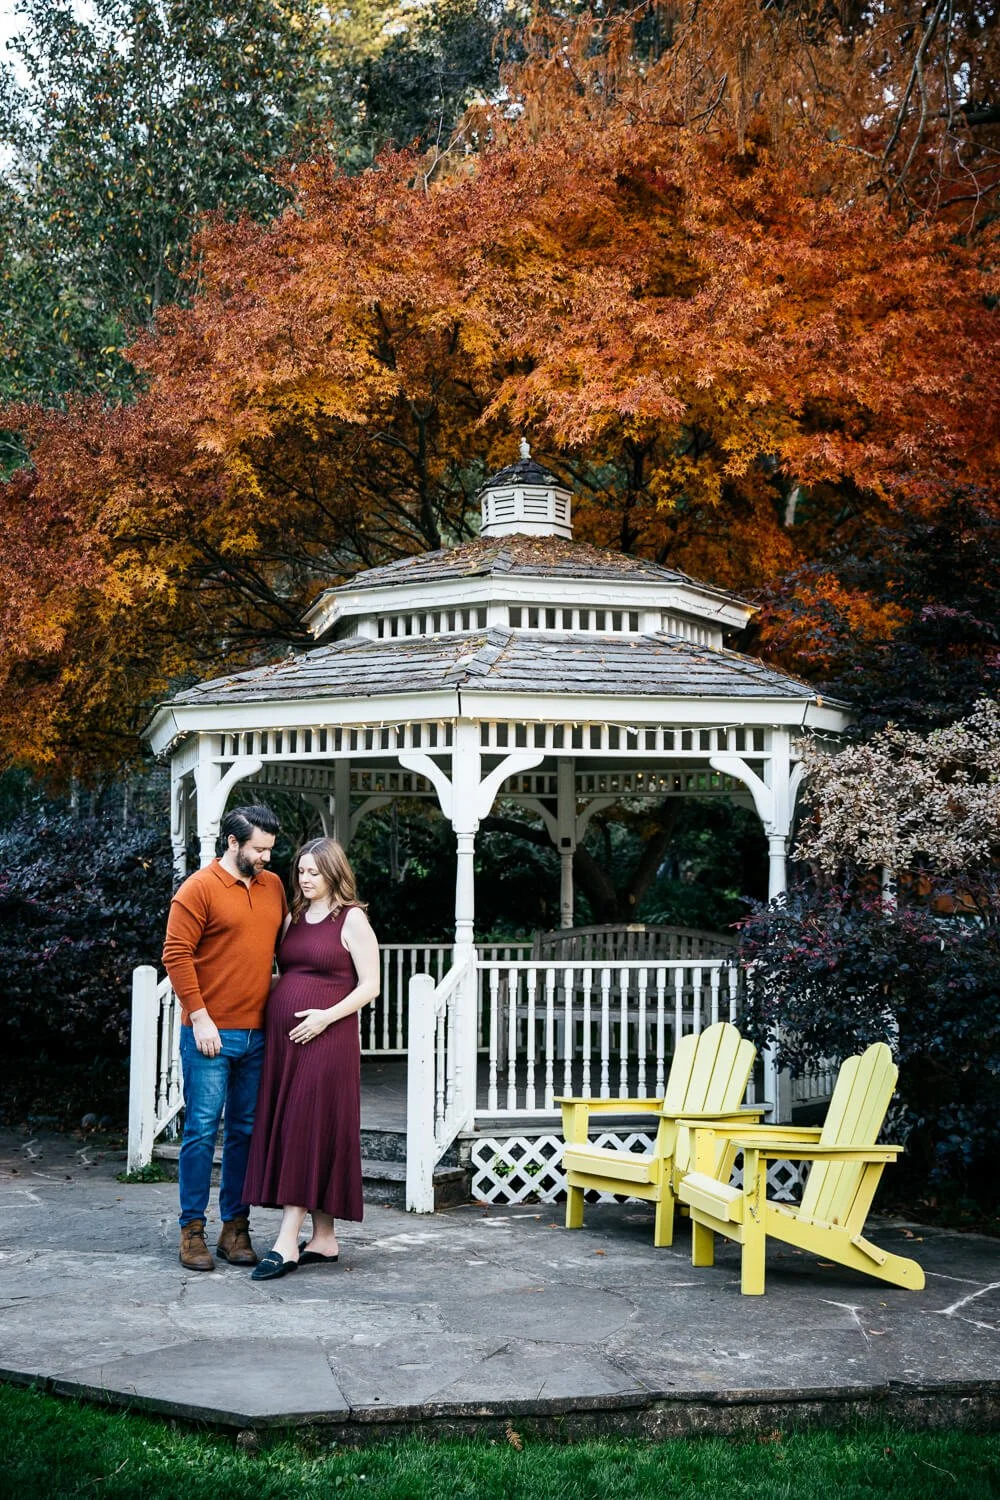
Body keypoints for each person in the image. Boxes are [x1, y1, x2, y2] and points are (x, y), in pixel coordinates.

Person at [242, 836, 380, 1281]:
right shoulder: (294, 917)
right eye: (300, 871)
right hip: (286, 1045)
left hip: (327, 1040)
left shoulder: (352, 918)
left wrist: (324, 1017)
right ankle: (323, 1238)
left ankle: (286, 1243)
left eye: (313, 872)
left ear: (333, 872)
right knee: (308, 1128)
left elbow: (370, 985)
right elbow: (287, 971)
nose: (304, 878)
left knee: (305, 1127)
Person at [162, 804, 286, 1272]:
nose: (266, 858)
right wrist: (200, 1016)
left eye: (270, 849)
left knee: (246, 1134)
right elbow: (176, 954)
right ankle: (191, 1230)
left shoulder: (273, 887)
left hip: (259, 1035)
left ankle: (235, 1228)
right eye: (259, 849)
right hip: (210, 1034)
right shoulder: (198, 889)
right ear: (233, 843)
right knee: (200, 1132)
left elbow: (283, 947)